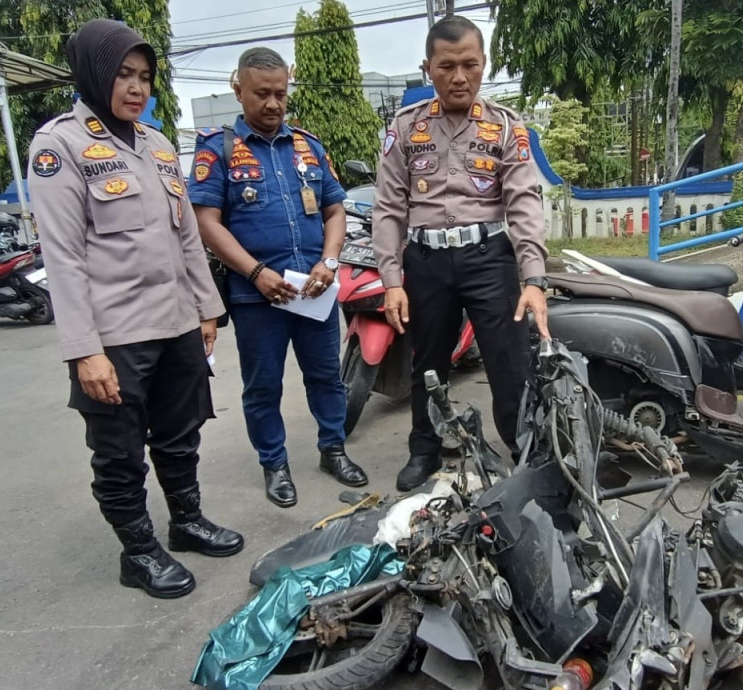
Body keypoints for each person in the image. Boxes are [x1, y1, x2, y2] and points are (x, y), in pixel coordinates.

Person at [28, 19, 242, 600]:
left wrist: (206, 309)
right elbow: (64, 257)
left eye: (145, 77)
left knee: (181, 433)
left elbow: (185, 239)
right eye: (124, 74)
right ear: (96, 74)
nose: (136, 87)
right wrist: (84, 350)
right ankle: (139, 551)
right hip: (114, 336)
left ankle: (187, 521)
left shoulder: (158, 145)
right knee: (119, 451)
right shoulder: (60, 146)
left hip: (175, 323)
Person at [372, 15, 550, 492]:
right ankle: (424, 449)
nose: (459, 76)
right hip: (426, 263)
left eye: (470, 64)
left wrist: (533, 278)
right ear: (428, 67)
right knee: (427, 363)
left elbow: (524, 203)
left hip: (490, 258)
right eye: (446, 65)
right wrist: (391, 280)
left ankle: (524, 452)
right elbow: (389, 206)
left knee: (508, 362)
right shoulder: (405, 128)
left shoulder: (506, 128)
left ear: (483, 64)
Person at [188, 47, 368, 509]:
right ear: (239, 89)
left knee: (327, 376)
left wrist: (328, 262)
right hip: (257, 298)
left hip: (314, 289)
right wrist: (255, 272)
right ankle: (275, 464)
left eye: (280, 94)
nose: (272, 104)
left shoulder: (309, 146)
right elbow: (207, 222)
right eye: (261, 94)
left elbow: (334, 210)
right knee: (263, 385)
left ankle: (333, 449)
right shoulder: (218, 149)